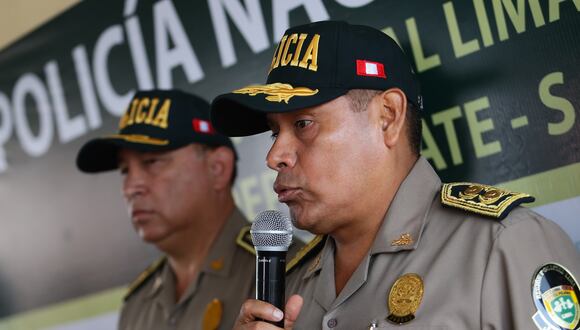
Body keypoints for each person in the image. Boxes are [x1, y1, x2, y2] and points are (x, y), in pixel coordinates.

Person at [210, 21, 580, 329]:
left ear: (387, 116)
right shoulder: (289, 283)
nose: (275, 155)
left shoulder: (500, 246)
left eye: (303, 124)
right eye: (275, 132)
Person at [76, 89, 257, 330]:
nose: (130, 187)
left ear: (218, 168)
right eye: (124, 171)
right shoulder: (138, 303)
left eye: (151, 162)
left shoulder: (276, 272)